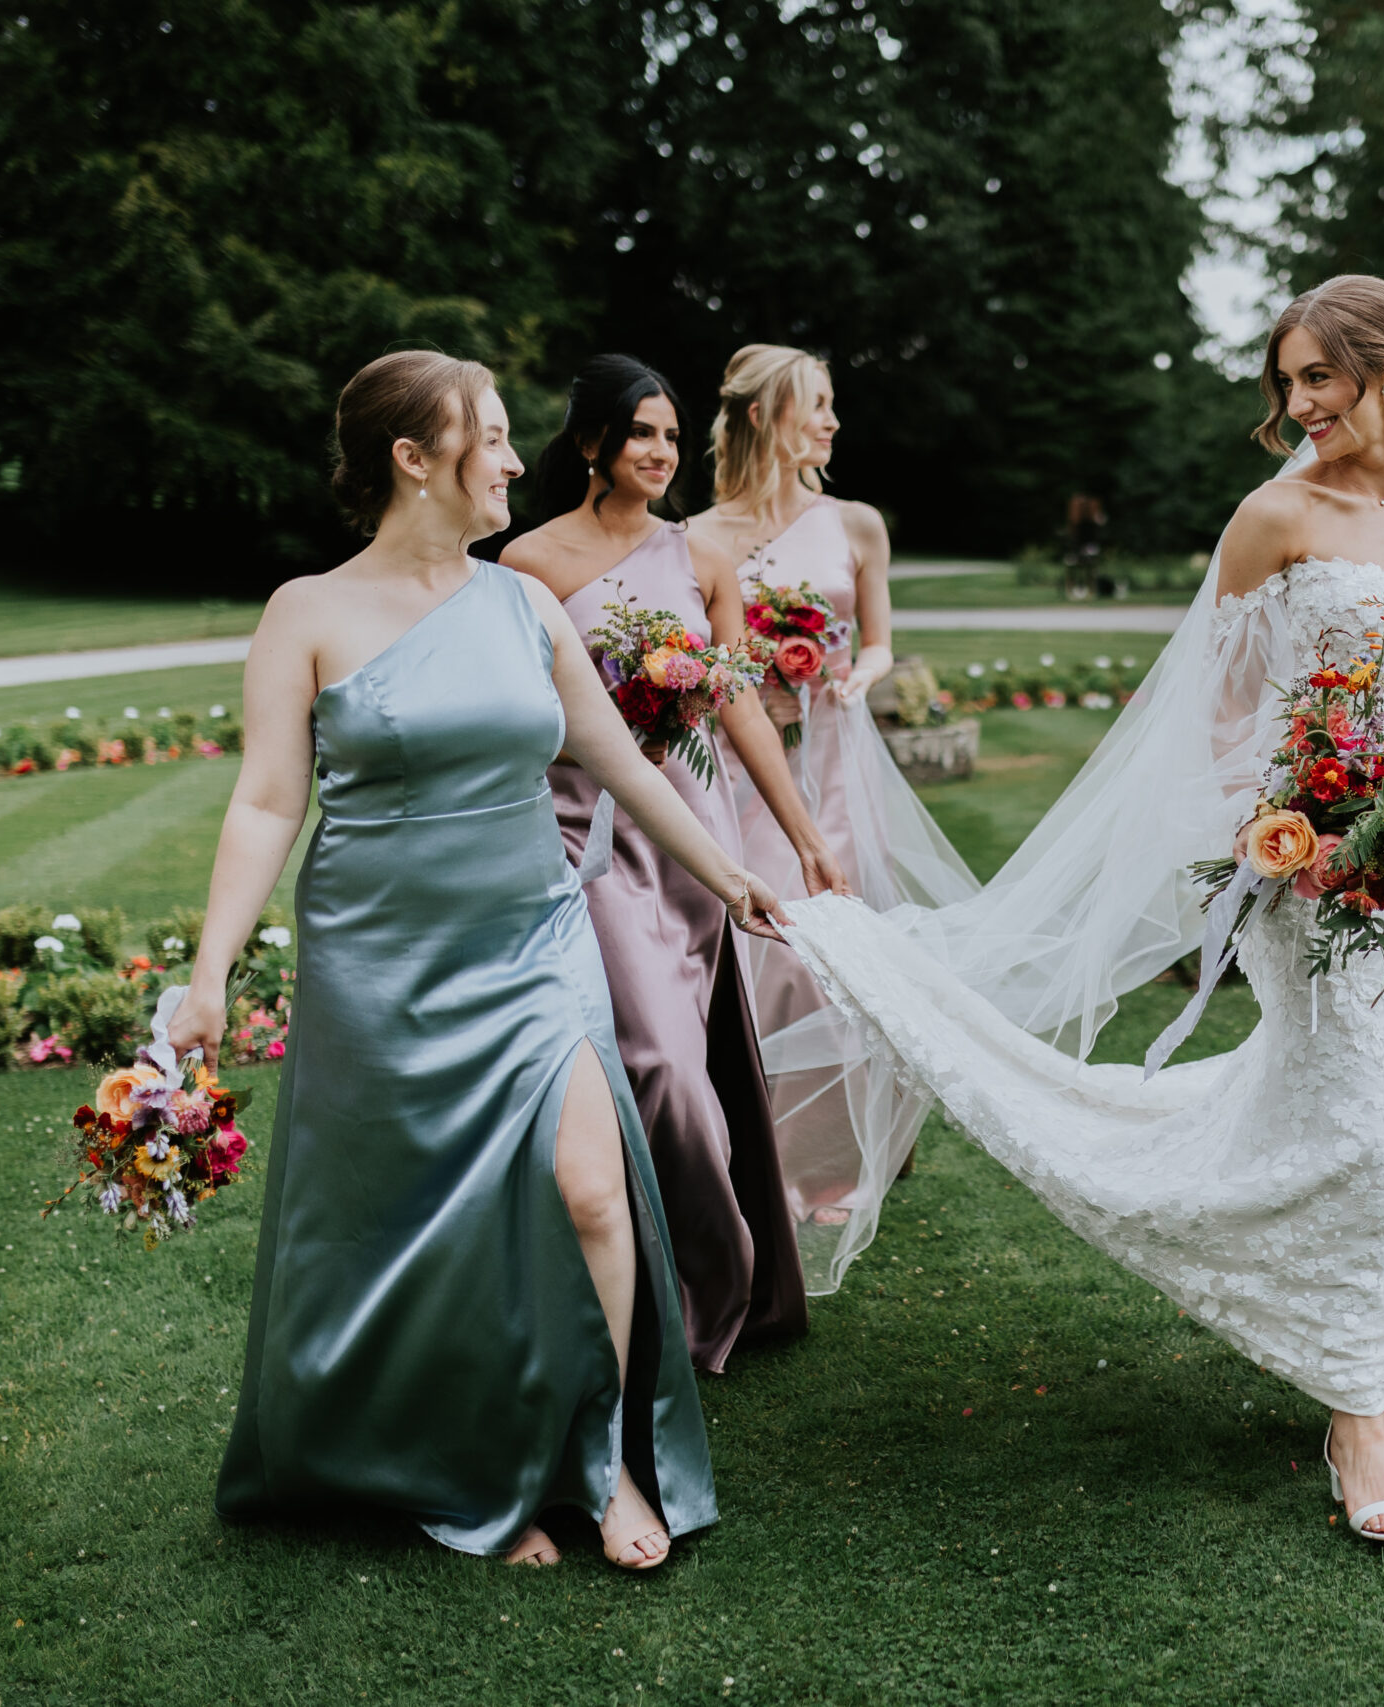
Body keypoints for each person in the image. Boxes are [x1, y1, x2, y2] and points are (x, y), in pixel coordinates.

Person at [778, 276, 1384, 1542]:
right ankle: (1358, 1413)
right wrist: (1288, 834)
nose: (1296, 404)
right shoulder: (1271, 520)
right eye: (1286, 380)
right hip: (1313, 876)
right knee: (1359, 1115)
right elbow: (1213, 717)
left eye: (1319, 377)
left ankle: (1361, 1357)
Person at [176, 350, 790, 1568]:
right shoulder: (306, 611)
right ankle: (458, 1469)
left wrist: (732, 876)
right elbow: (263, 802)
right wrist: (210, 973)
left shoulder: (522, 604)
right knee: (420, 1225)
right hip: (378, 958)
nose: (518, 460)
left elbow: (620, 761)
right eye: (493, 438)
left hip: (532, 941)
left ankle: (608, 1462)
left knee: (591, 1191)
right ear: (415, 459)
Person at [499, 353, 848, 1370]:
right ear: (591, 444)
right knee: (659, 1068)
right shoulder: (529, 565)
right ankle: (707, 1288)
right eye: (637, 433)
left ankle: (700, 1293)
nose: (657, 452)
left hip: (695, 838)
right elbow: (522, 717)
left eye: (666, 434)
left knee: (697, 1061)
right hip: (588, 841)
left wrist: (801, 834)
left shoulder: (696, 556)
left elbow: (736, 696)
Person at [687, 346, 979, 1291]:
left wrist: (862, 668)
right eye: (817, 406)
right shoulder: (696, 537)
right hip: (740, 774)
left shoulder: (855, 523)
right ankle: (758, 1155)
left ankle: (835, 1164)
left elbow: (883, 635)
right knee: (765, 965)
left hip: (837, 767)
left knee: (831, 967)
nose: (833, 422)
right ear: (768, 415)